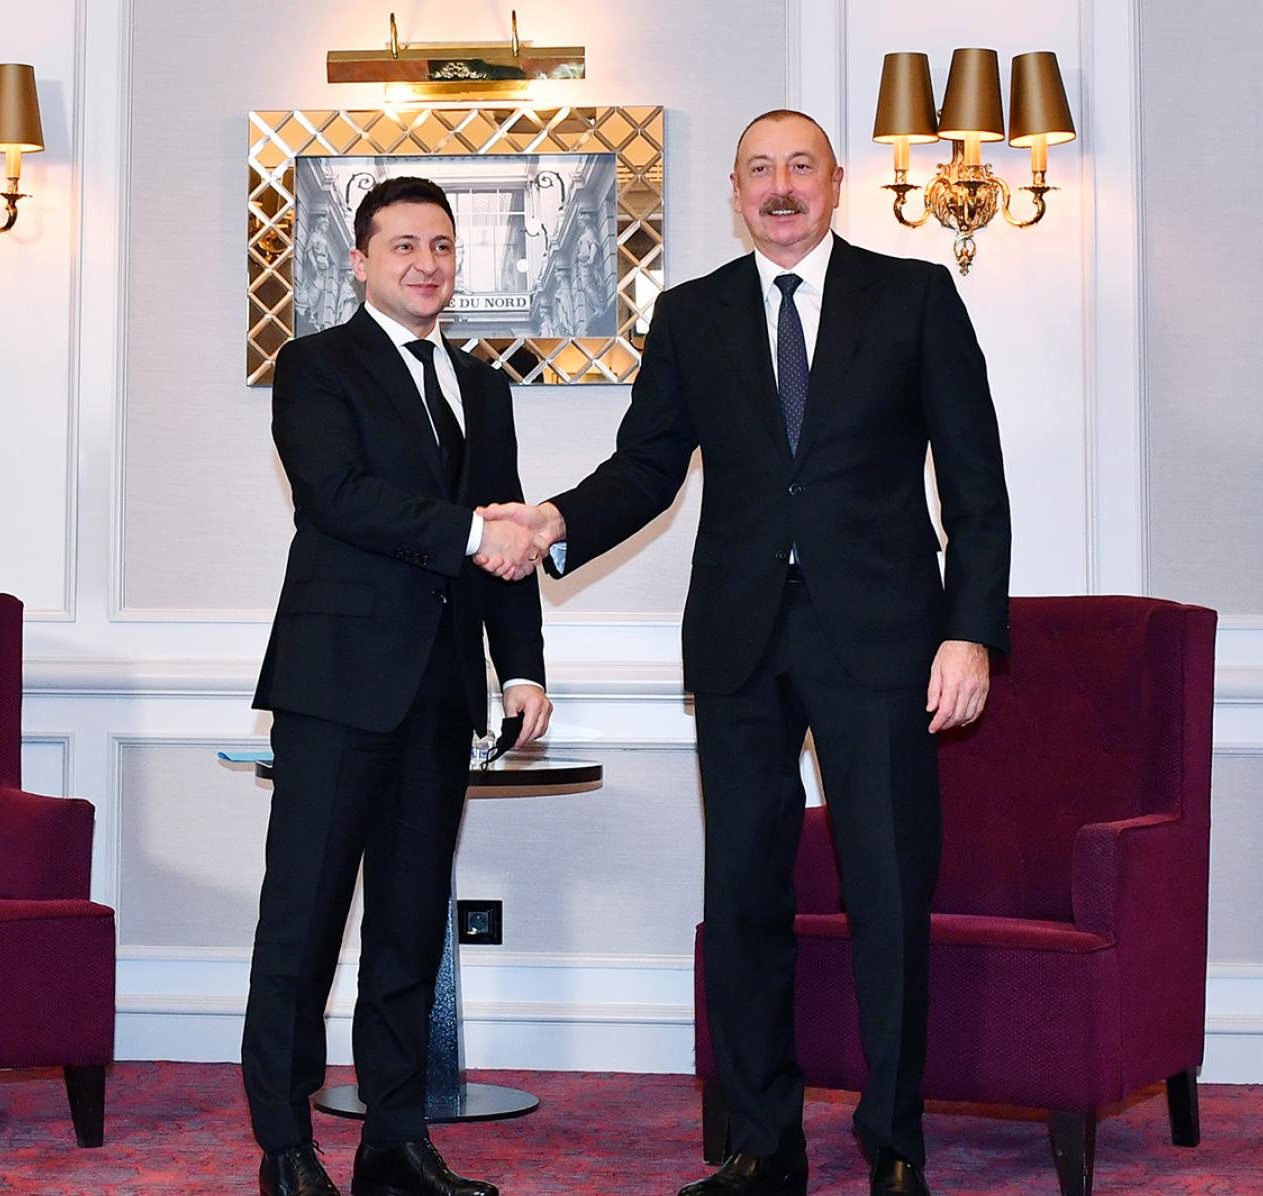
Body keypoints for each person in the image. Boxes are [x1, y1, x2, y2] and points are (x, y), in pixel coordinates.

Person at [480, 111, 1009, 1196]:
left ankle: (893, 1142)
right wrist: (554, 519)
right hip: (739, 641)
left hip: (884, 643)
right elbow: (646, 467)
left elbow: (974, 483)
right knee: (743, 896)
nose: (780, 186)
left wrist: (969, 632)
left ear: (835, 183)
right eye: (759, 170)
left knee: (887, 892)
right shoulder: (692, 313)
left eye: (799, 166)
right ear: (734, 192)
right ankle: (763, 1145)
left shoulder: (912, 297)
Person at [245, 175, 554, 1196]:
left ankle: (394, 1141)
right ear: (361, 260)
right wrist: (474, 532)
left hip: (440, 693)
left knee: (409, 928)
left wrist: (520, 667)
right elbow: (337, 497)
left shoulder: (484, 387)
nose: (428, 264)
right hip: (335, 686)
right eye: (405, 246)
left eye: (443, 247)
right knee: (302, 925)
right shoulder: (313, 366)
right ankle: (285, 1147)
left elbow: (506, 536)